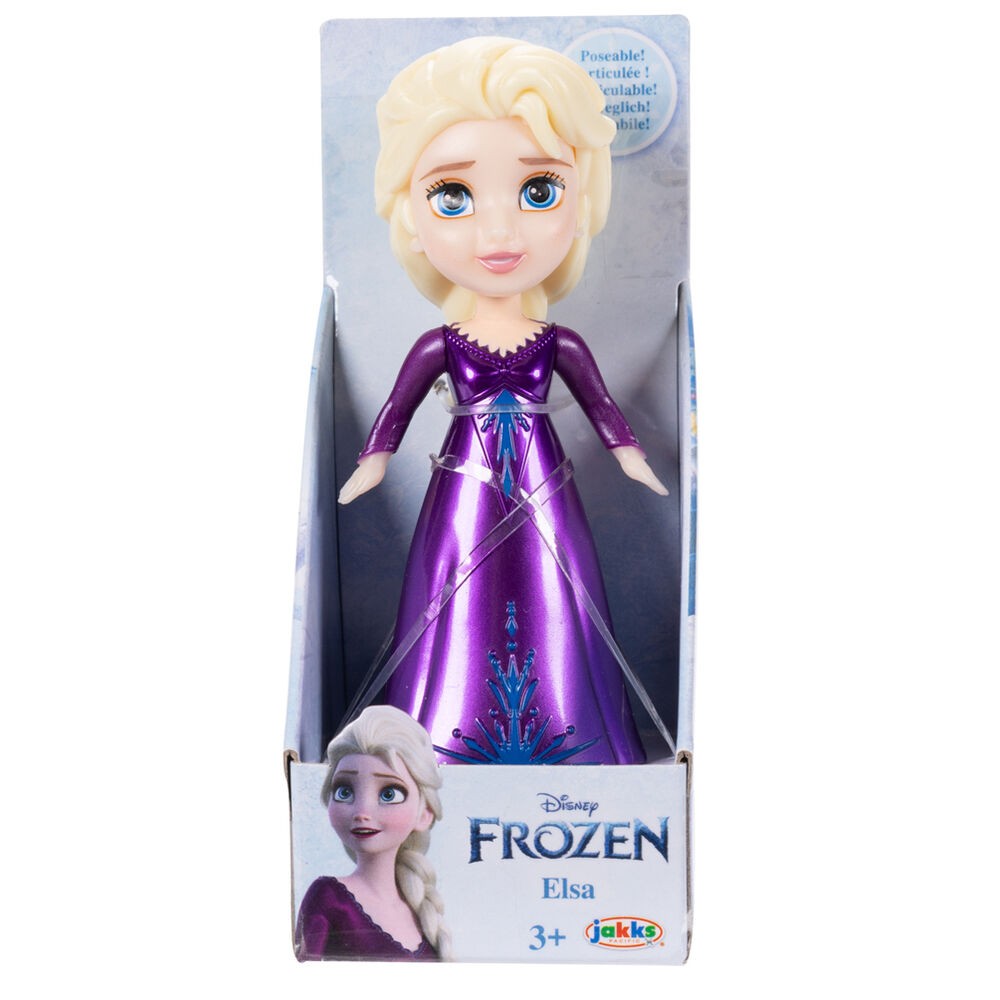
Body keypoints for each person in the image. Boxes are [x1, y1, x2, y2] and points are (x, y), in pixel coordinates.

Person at [339, 37, 667, 765]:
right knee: (454, 587)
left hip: (544, 483)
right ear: (412, 215)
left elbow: (603, 409)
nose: (498, 232)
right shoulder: (441, 343)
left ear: (582, 202)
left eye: (538, 191)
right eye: (453, 197)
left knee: (557, 586)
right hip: (466, 485)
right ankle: (441, 739)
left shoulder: (559, 342)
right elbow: (395, 411)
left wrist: (632, 457)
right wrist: (371, 464)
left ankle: (572, 736)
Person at [295, 706, 450, 961]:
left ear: (425, 814)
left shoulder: (422, 914)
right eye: (344, 791)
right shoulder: (329, 898)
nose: (362, 812)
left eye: (389, 794)